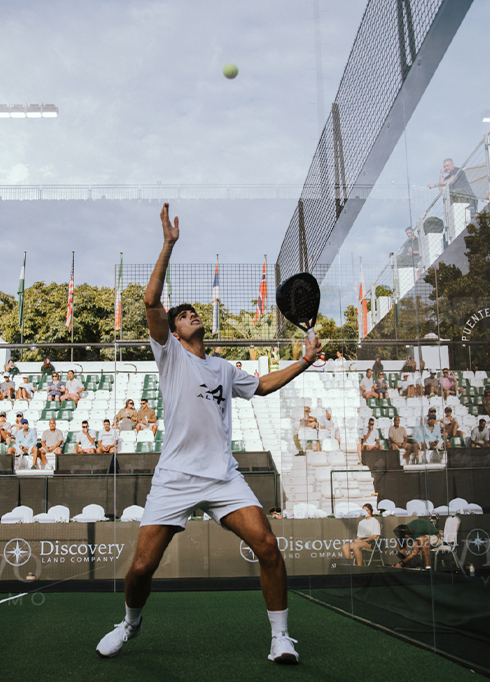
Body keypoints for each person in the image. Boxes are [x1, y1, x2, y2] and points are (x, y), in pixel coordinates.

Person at [96, 203, 320, 664]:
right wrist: (168, 245)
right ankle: (129, 624)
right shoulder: (170, 355)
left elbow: (262, 386)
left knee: (268, 547)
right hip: (176, 475)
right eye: (185, 316)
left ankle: (281, 637)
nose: (191, 315)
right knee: (141, 567)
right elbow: (151, 302)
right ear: (174, 333)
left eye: (194, 312)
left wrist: (304, 361)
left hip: (221, 476)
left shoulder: (222, 367)